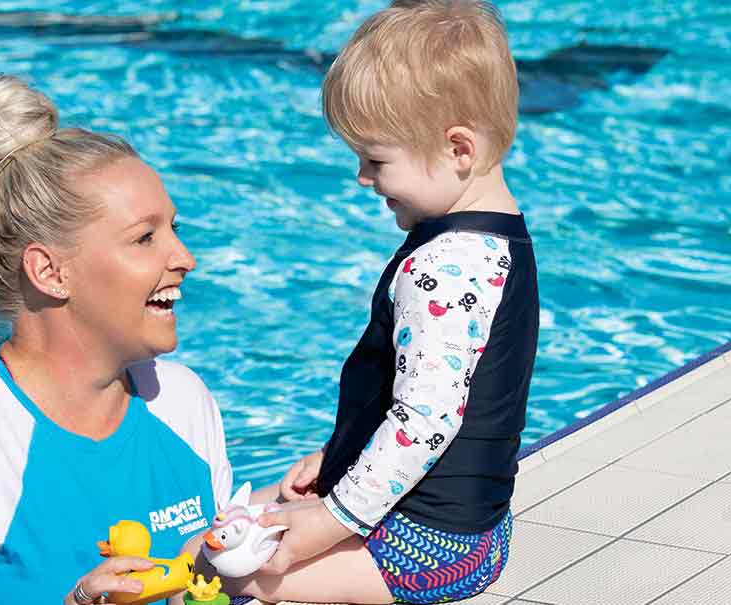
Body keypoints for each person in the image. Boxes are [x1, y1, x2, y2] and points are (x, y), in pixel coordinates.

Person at [0, 74, 233, 605]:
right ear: (50, 271)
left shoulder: (184, 404)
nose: (185, 258)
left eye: (174, 228)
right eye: (145, 237)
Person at [225, 2, 539, 603]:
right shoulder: (496, 240)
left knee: (231, 571)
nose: (362, 179)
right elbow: (438, 390)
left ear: (458, 150)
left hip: (431, 542)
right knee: (245, 515)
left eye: (376, 160)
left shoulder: (447, 267)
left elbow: (425, 421)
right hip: (465, 523)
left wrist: (332, 518)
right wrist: (339, 453)